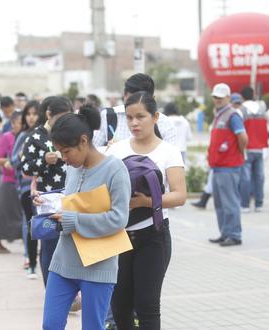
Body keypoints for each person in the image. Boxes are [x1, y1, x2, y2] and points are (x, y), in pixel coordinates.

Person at [39, 104, 131, 330]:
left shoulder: (115, 169)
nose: (64, 158)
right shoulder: (72, 168)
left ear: (83, 141)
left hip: (98, 266)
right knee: (50, 325)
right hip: (63, 262)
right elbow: (73, 200)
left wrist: (74, 221)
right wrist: (49, 201)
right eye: (60, 152)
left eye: (66, 151)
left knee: (92, 327)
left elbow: (119, 219)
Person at [108, 92, 186, 329]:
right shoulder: (116, 150)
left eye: (140, 117)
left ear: (155, 117)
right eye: (130, 118)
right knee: (119, 305)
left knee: (147, 306)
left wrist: (146, 202)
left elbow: (179, 195)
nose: (134, 123)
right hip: (118, 237)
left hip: (153, 236)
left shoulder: (168, 151)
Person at [21, 96, 72, 285]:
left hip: (71, 197)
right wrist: (44, 161)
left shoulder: (71, 133)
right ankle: (51, 289)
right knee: (49, 243)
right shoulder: (35, 137)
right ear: (49, 114)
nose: (65, 122)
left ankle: (72, 292)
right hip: (46, 200)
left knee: (70, 242)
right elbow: (25, 167)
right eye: (60, 117)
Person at [207, 83, 248, 247]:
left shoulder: (233, 115)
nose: (216, 100)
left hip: (228, 166)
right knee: (220, 203)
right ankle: (225, 233)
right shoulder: (219, 115)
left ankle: (235, 235)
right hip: (218, 166)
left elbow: (243, 138)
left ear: (228, 98)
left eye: (220, 97)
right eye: (215, 97)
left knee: (230, 201)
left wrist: (236, 153)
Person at [93, 73, 177, 148]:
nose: (134, 123)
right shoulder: (108, 116)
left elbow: (173, 158)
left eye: (141, 116)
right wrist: (109, 151)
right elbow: (93, 152)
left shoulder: (165, 123)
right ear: (124, 96)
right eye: (132, 100)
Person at [11, 100, 41, 278]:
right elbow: (13, 160)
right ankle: (30, 260)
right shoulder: (23, 136)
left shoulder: (46, 135)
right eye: (28, 114)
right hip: (25, 188)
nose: (31, 117)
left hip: (45, 188)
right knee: (29, 223)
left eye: (34, 113)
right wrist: (23, 154)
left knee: (45, 225)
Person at [0, 112, 23, 253]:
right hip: (9, 180)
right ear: (13, 123)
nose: (21, 125)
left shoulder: (26, 137)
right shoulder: (6, 137)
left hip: (24, 180)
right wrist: (12, 161)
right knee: (2, 213)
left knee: (22, 214)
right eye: (19, 122)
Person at [240, 86, 268, 213]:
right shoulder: (262, 109)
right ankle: (259, 204)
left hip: (247, 148)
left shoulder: (242, 109)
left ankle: (245, 204)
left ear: (242, 97)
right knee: (259, 177)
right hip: (260, 148)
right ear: (254, 95)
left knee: (245, 177)